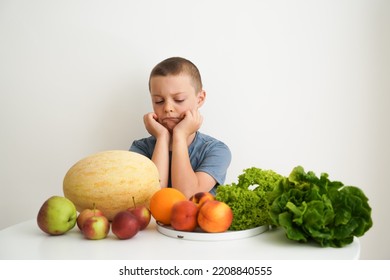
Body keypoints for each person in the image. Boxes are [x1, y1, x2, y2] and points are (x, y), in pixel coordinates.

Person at [130, 57, 231, 198]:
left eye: (179, 100)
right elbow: (150, 197)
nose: (168, 108)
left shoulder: (216, 150)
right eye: (158, 101)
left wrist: (180, 135)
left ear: (200, 99)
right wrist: (162, 138)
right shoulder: (140, 149)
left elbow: (186, 195)